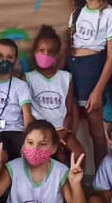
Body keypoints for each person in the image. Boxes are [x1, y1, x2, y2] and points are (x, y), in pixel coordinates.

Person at [66, 0, 112, 165]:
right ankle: (68, 175)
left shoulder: (110, 14)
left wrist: (98, 91)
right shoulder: (76, 12)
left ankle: (101, 177)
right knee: (69, 125)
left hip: (93, 71)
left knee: (95, 129)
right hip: (74, 70)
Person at [25, 25, 83, 162]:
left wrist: (65, 131)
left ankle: (74, 183)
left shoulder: (66, 78)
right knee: (58, 156)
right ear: (34, 51)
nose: (45, 55)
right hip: (39, 131)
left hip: (60, 128)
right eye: (41, 50)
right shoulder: (28, 78)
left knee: (79, 155)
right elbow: (26, 113)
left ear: (57, 55)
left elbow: (69, 112)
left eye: (50, 52)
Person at [0, 38, 33, 159]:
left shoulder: (20, 85)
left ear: (16, 60)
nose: (4, 60)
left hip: (16, 132)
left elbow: (27, 117)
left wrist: (29, 140)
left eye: (9, 57)